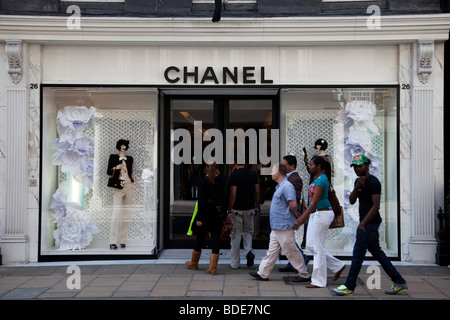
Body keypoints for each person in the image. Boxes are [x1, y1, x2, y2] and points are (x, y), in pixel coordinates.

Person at [332, 154, 408, 296]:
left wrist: (363, 223)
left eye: (360, 166)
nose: (356, 169)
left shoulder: (374, 182)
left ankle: (349, 286)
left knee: (357, 254)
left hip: (369, 224)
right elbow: (353, 200)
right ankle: (399, 282)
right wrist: (357, 187)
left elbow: (376, 206)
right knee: (377, 253)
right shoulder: (358, 182)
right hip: (366, 224)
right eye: (354, 166)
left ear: (367, 166)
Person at [249, 163, 310, 282]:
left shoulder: (287, 186)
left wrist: (295, 215)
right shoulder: (280, 186)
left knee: (291, 250)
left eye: (272, 171)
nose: (270, 173)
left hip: (283, 225)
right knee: (272, 251)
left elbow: (292, 204)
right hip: (278, 226)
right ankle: (263, 273)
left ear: (277, 174)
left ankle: (304, 274)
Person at [293, 156, 345, 288]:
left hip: (322, 214)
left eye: (311, 165)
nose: (309, 166)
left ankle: (319, 281)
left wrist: (300, 219)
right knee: (311, 245)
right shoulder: (317, 179)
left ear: (319, 166)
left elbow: (314, 203)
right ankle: (337, 265)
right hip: (317, 214)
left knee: (317, 248)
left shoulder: (322, 180)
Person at [185, 161, 225, 275]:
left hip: (205, 212)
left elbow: (201, 201)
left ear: (206, 169)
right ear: (218, 170)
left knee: (200, 237)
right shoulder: (221, 180)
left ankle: (194, 263)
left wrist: (200, 218)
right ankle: (213, 268)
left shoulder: (202, 181)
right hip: (217, 213)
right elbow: (223, 198)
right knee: (216, 238)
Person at [278, 155, 310, 273]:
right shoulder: (287, 177)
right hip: (285, 213)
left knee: (287, 239)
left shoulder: (295, 179)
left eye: (284, 165)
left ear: (292, 166)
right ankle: (294, 262)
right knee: (287, 239)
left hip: (288, 213)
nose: (282, 167)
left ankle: (301, 259)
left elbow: (294, 198)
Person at [228, 157, 259, 269]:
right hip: (250, 207)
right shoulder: (252, 174)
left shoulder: (234, 175)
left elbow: (233, 194)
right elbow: (256, 191)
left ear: (235, 162)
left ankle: (234, 263)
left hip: (237, 209)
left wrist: (229, 209)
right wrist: (255, 205)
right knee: (248, 232)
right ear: (245, 162)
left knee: (236, 235)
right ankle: (248, 252)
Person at [107, 139, 134, 250]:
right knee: (116, 213)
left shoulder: (130, 159)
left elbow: (130, 171)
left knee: (126, 214)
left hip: (129, 185)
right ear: (118, 146)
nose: (123, 147)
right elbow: (108, 171)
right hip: (119, 185)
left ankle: (122, 240)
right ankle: (112, 242)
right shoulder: (113, 157)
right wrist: (115, 167)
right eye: (122, 145)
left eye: (125, 145)